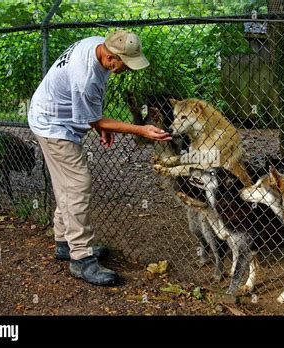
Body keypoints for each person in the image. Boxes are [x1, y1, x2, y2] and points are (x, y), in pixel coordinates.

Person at [28, 30, 171, 286]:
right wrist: (140, 129)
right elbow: (91, 116)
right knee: (77, 185)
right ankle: (81, 259)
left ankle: (64, 243)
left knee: (66, 185)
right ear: (110, 57)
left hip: (54, 114)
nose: (127, 69)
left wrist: (102, 126)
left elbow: (92, 113)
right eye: (125, 64)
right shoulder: (86, 77)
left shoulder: (96, 45)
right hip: (52, 124)